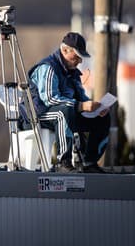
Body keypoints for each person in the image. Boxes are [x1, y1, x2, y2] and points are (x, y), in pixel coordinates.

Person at [25, 32, 110, 173]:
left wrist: (95, 107)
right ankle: (63, 162)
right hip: (38, 114)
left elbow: (81, 97)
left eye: (80, 58)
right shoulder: (48, 67)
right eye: (76, 56)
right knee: (64, 112)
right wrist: (81, 106)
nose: (79, 61)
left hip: (66, 112)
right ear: (64, 50)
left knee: (101, 118)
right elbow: (50, 99)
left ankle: (90, 162)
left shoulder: (73, 72)